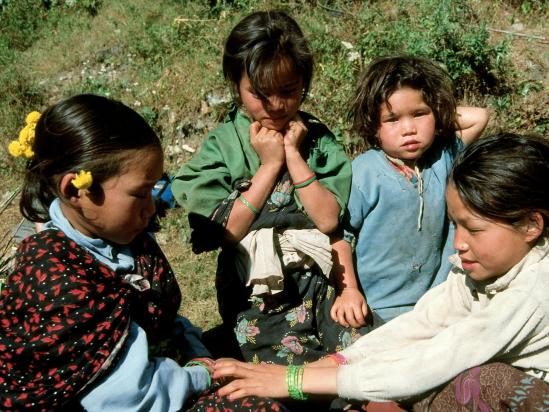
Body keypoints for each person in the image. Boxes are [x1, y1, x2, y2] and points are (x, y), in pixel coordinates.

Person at [213, 132, 549, 410]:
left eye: (473, 230)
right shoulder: (479, 269)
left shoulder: (534, 291)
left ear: (531, 225)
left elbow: (439, 359)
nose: (458, 243)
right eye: (455, 226)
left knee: (474, 382)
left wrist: (293, 382)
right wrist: (334, 364)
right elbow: (422, 326)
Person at [0, 94, 284, 412]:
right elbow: (129, 398)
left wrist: (196, 351)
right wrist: (200, 376)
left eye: (154, 189)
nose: (151, 208)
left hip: (166, 375)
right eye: (139, 194)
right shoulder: (54, 279)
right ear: (74, 190)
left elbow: (163, 319)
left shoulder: (119, 235)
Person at [172, 10, 379, 365]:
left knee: (365, 356)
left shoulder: (317, 141)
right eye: (260, 94)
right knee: (290, 371)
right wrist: (269, 166)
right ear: (235, 85)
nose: (276, 106)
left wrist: (294, 157)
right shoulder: (223, 145)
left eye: (288, 91)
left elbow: (329, 221)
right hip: (257, 295)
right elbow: (226, 232)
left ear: (304, 83)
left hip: (324, 283)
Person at [342, 55, 490, 321]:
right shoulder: (364, 172)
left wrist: (439, 114)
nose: (409, 129)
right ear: (373, 126)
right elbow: (342, 235)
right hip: (377, 306)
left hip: (437, 302)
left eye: (419, 114)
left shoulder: (443, 158)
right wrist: (348, 290)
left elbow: (479, 117)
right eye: (392, 119)